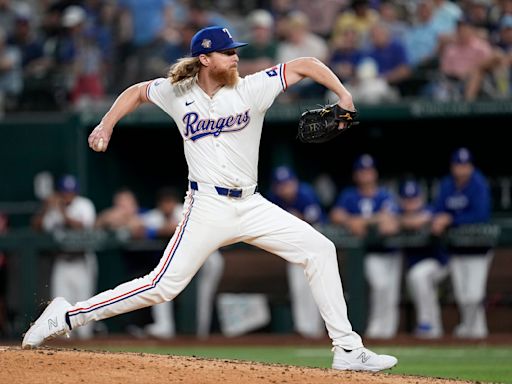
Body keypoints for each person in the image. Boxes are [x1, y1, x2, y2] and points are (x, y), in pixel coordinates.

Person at [22, 25, 397, 372]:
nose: (235, 57)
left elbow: (306, 63)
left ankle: (347, 349)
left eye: (235, 51)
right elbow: (136, 92)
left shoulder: (253, 88)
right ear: (205, 59)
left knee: (320, 249)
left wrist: (344, 94)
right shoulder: (177, 93)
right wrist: (106, 123)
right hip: (207, 207)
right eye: (227, 52)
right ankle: (67, 317)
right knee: (162, 286)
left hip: (251, 205)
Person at [330, 154, 401, 339]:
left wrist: (360, 221)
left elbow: (390, 221)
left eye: (369, 171)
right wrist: (350, 220)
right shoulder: (350, 195)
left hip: (390, 250)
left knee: (390, 291)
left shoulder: (385, 194)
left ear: (375, 173)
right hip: (368, 253)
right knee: (381, 285)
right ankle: (377, 326)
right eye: (362, 171)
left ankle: (389, 330)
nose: (366, 175)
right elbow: (336, 214)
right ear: (356, 175)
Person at [140, 186, 225, 339]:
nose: (167, 206)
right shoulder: (156, 215)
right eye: (163, 203)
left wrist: (153, 231)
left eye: (169, 202)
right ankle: (166, 326)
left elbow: (172, 228)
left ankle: (201, 335)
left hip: (208, 258)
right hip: (187, 259)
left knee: (204, 296)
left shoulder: (183, 209)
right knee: (162, 285)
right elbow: (137, 226)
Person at [431, 147, 493, 339]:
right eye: (458, 165)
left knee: (474, 295)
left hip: (478, 249)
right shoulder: (447, 185)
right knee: (462, 296)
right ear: (453, 167)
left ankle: (471, 328)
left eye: (465, 165)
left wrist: (451, 219)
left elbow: (481, 215)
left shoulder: (479, 183)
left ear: (471, 166)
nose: (462, 169)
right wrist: (440, 218)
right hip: (456, 249)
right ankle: (472, 330)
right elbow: (437, 210)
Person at [30, 174, 97, 340]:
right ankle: (65, 357)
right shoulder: (53, 207)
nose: (68, 195)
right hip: (62, 262)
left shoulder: (84, 205)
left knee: (85, 311)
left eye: (71, 191)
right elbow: (37, 227)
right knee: (60, 308)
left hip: (82, 262)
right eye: (65, 192)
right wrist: (47, 206)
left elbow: (83, 226)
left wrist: (61, 211)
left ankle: (90, 354)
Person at [267, 165, 326, 339]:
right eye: (281, 185)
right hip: (294, 249)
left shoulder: (306, 194)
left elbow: (314, 222)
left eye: (288, 183)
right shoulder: (274, 199)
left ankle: (316, 329)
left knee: (315, 287)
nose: (285, 188)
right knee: (299, 287)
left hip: (314, 245)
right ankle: (303, 328)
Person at [398, 179, 449, 338]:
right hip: (416, 266)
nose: (411, 204)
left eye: (414, 200)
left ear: (420, 199)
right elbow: (388, 222)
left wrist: (414, 221)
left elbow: (433, 217)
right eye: (407, 200)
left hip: (439, 263)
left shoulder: (429, 211)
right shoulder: (397, 215)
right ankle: (434, 328)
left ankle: (426, 323)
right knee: (419, 279)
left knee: (418, 276)